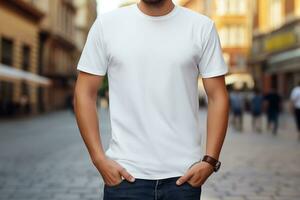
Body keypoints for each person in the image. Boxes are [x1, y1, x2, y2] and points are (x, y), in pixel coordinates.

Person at [74, 0, 229, 199]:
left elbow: (218, 96)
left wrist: (210, 161)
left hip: (183, 178)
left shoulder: (201, 27)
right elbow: (84, 93)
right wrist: (98, 158)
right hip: (125, 177)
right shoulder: (107, 25)